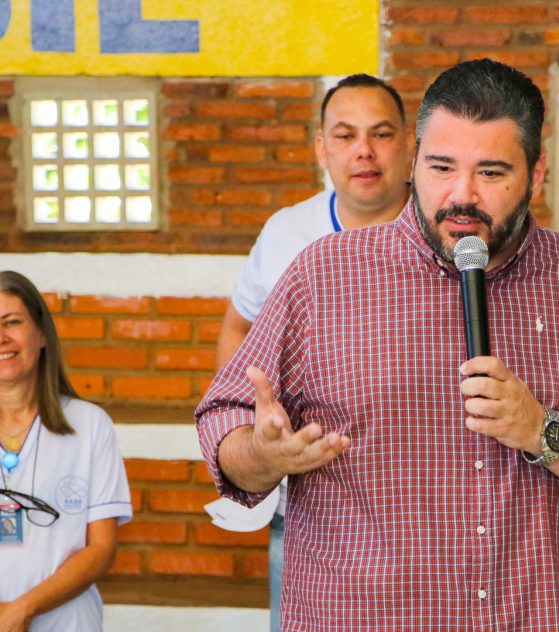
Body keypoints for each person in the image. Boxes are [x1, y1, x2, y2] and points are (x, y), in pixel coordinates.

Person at [197, 58, 559, 631]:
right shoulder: (324, 276)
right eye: (441, 167)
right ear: (414, 162)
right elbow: (223, 419)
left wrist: (543, 431)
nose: (461, 195)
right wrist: (261, 457)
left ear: (536, 174)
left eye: (491, 172)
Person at [213, 73, 412, 632]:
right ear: (321, 148)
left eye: (381, 134)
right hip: (309, 504)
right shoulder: (286, 232)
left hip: (421, 507)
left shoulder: (447, 231)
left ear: (410, 144)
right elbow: (237, 327)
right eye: (345, 136)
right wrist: (253, 428)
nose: (364, 151)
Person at [0, 270, 132, 631]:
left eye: (12, 322)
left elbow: (101, 550)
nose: (2, 337)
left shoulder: (89, 425)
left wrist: (22, 609)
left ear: (42, 333)